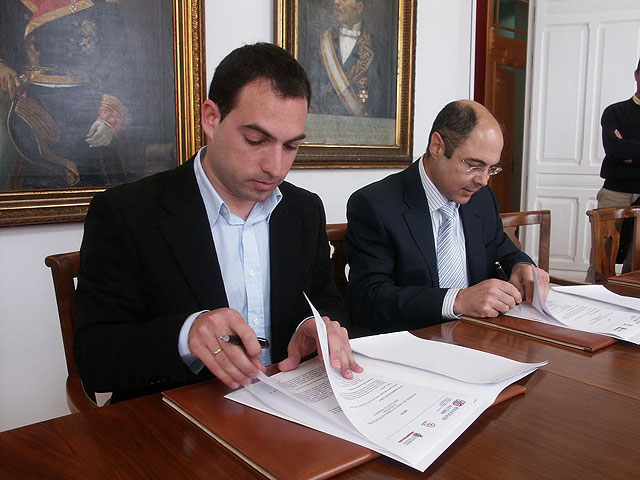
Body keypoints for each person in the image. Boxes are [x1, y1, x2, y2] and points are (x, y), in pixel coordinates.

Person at [74, 43, 362, 402]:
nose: (276, 167)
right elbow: (94, 357)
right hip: (179, 418)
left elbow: (326, 300)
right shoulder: (126, 213)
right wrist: (186, 335)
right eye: (256, 140)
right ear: (211, 118)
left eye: (291, 146)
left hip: (289, 409)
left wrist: (315, 325)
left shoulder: (304, 209)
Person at [344, 100, 550, 333]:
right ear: (437, 146)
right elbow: (368, 298)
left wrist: (521, 265)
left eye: (491, 168)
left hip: (479, 336)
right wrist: (457, 300)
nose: (484, 181)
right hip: (413, 340)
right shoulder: (375, 205)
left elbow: (501, 249)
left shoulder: (481, 198)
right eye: (474, 165)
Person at [0, 0, 130, 188]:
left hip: (87, 105)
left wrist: (110, 117)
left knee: (90, 180)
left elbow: (119, 57)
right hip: (31, 104)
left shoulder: (102, 3)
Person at [585, 58, 640, 283]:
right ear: (636, 75)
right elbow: (614, 149)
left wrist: (628, 149)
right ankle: (590, 295)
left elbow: (622, 149)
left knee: (636, 260)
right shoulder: (615, 112)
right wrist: (622, 149)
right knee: (602, 255)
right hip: (614, 192)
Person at [305, 0, 394, 118]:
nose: (336, 2)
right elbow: (312, 94)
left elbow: (379, 105)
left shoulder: (377, 51)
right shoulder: (320, 44)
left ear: (359, 7)